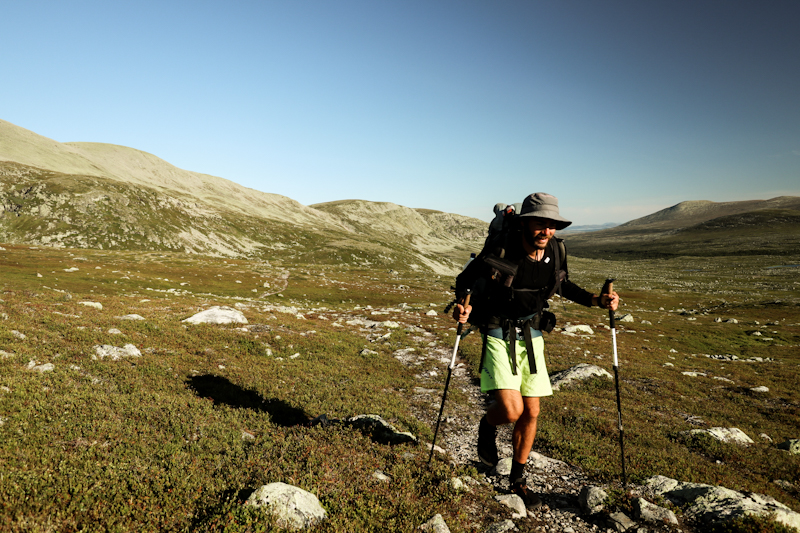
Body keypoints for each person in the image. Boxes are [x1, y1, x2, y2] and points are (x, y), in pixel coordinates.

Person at [452, 192, 619, 509]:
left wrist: (599, 301)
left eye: (552, 225)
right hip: (498, 331)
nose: (547, 231)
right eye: (540, 223)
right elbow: (466, 280)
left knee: (532, 412)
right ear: (526, 223)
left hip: (532, 333)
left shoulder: (555, 251)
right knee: (512, 410)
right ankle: (487, 426)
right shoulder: (502, 249)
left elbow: (563, 285)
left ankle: (518, 479)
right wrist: (462, 306)